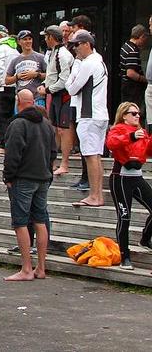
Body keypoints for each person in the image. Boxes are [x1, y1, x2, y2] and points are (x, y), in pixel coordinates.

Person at [1, 89, 57, 281]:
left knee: (20, 221)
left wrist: (8, 176)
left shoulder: (18, 124)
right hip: (42, 177)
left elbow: (13, 153)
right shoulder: (46, 124)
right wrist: (47, 172)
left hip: (23, 177)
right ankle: (41, 267)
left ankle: (26, 268)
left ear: (19, 102)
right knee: (40, 220)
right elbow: (52, 152)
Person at [105, 101, 152, 270]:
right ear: (124, 115)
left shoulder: (142, 132)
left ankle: (145, 239)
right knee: (124, 217)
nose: (137, 116)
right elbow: (111, 144)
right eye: (133, 113)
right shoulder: (117, 129)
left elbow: (148, 151)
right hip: (121, 178)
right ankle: (125, 256)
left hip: (137, 177)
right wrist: (131, 137)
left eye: (139, 113)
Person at [65, 30, 108, 208]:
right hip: (99, 114)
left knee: (91, 156)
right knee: (95, 156)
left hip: (89, 116)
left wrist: (72, 76)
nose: (75, 49)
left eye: (77, 45)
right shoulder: (99, 62)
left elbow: (72, 88)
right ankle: (96, 194)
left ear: (86, 44)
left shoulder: (88, 63)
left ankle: (95, 195)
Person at [39, 25, 75, 177]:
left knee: (63, 129)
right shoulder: (53, 53)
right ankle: (53, 162)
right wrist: (45, 86)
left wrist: (47, 89)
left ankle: (65, 163)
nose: (45, 40)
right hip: (55, 95)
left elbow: (64, 80)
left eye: (46, 37)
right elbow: (51, 75)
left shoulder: (63, 54)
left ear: (51, 37)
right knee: (54, 128)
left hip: (64, 95)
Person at [0, 24, 19, 153]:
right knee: (9, 116)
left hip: (2, 88)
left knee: (1, 117)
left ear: (0, 35)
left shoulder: (2, 48)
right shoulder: (14, 49)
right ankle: (8, 144)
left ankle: (3, 145)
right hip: (11, 87)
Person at [5, 31, 47, 107]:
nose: (28, 41)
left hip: (37, 98)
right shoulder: (15, 60)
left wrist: (36, 74)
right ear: (19, 42)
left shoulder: (41, 57)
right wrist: (17, 77)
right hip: (20, 100)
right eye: (25, 39)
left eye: (30, 39)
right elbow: (7, 80)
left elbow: (49, 75)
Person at [119, 25, 149, 115]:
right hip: (132, 88)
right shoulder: (132, 51)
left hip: (125, 85)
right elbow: (130, 73)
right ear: (141, 36)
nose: (144, 42)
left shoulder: (125, 46)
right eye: (144, 39)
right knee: (133, 112)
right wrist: (144, 79)